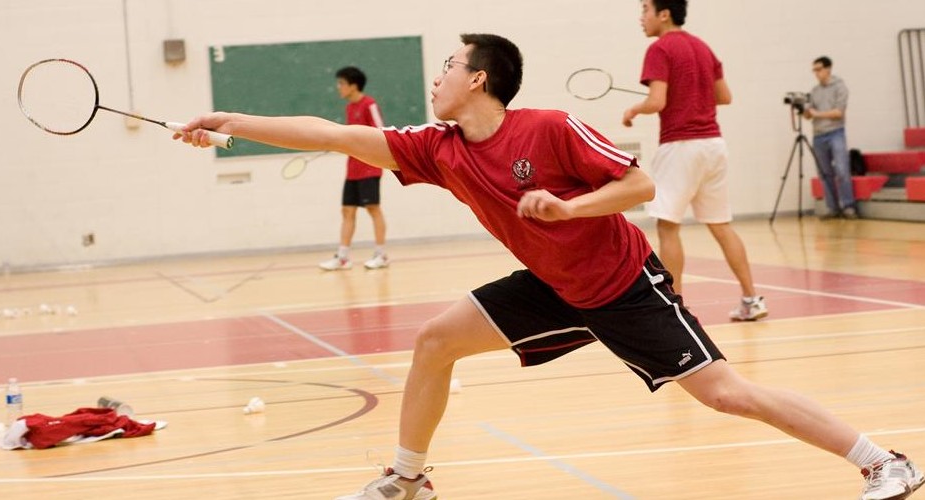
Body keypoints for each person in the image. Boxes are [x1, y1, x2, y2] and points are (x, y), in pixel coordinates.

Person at [176, 33, 922, 500]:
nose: (435, 78)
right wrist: (233, 124)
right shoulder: (437, 147)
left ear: (480, 79)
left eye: (447, 66)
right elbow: (332, 135)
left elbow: (638, 185)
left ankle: (881, 462)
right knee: (436, 340)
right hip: (553, 286)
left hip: (623, 285)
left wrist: (568, 209)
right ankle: (408, 478)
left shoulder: (550, 128)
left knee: (725, 394)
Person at [622, 0, 767, 322]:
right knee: (721, 226)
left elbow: (657, 101)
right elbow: (724, 96)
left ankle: (673, 307)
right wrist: (693, 91)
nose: (640, 17)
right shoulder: (703, 47)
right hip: (714, 146)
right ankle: (751, 299)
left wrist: (635, 109)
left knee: (668, 226)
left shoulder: (660, 49)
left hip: (681, 146)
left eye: (645, 9)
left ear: (664, 14)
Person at [318, 66, 390, 271]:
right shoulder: (349, 108)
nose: (338, 87)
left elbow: (381, 133)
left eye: (341, 83)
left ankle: (381, 254)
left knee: (373, 209)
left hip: (370, 167)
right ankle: (343, 257)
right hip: (353, 168)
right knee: (347, 211)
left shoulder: (370, 105)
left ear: (353, 85)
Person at [805, 55, 857, 220]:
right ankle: (832, 207)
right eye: (814, 70)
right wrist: (805, 110)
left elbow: (838, 113)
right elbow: (809, 115)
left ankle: (848, 206)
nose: (816, 73)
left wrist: (817, 114)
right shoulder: (814, 91)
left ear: (828, 69)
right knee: (824, 173)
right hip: (818, 135)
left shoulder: (840, 87)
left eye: (819, 69)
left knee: (842, 170)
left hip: (836, 132)